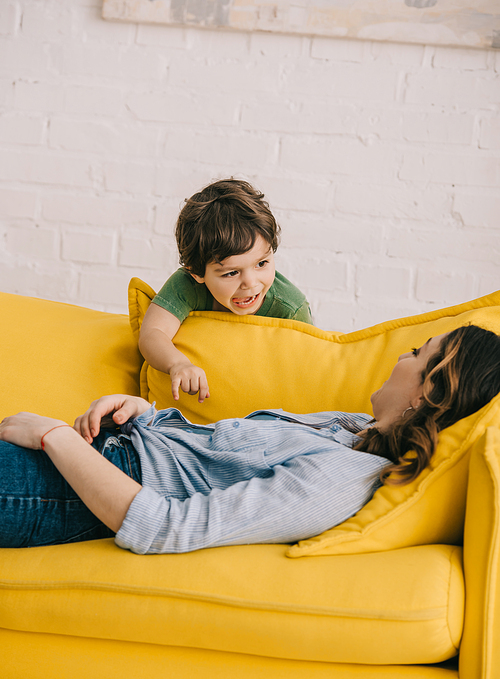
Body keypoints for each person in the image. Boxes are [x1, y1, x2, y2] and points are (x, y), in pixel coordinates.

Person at [1, 325, 499, 554]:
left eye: (416, 352)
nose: (400, 358)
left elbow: (165, 526)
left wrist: (53, 436)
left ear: (429, 390)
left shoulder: (340, 478)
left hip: (74, 488)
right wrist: (146, 415)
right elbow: (216, 456)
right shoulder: (348, 429)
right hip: (103, 452)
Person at [139, 179, 313, 403]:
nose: (250, 283)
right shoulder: (187, 286)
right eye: (231, 273)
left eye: (262, 263)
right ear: (196, 272)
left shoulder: (291, 308)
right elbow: (152, 333)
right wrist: (178, 363)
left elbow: (307, 371)